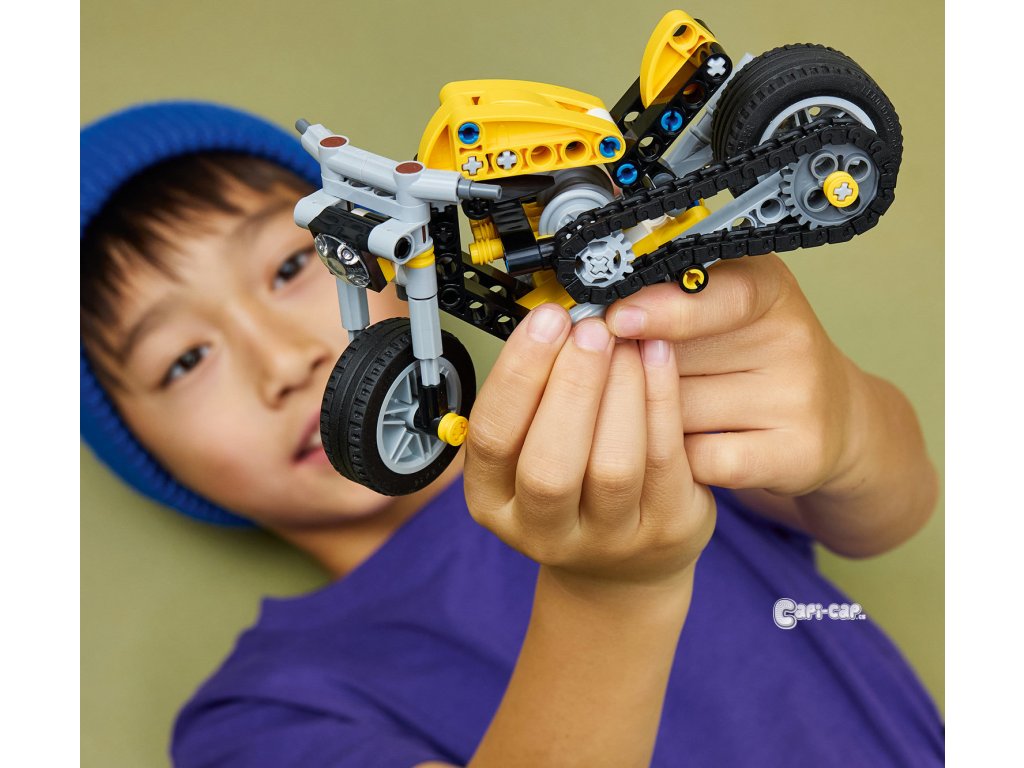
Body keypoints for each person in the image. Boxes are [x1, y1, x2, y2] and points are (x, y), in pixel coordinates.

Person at [81, 101, 943, 767]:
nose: (282, 362)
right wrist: (609, 597)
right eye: (184, 360)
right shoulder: (262, 717)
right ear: (150, 460)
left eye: (291, 265)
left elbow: (891, 511)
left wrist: (842, 418)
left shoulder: (635, 402)